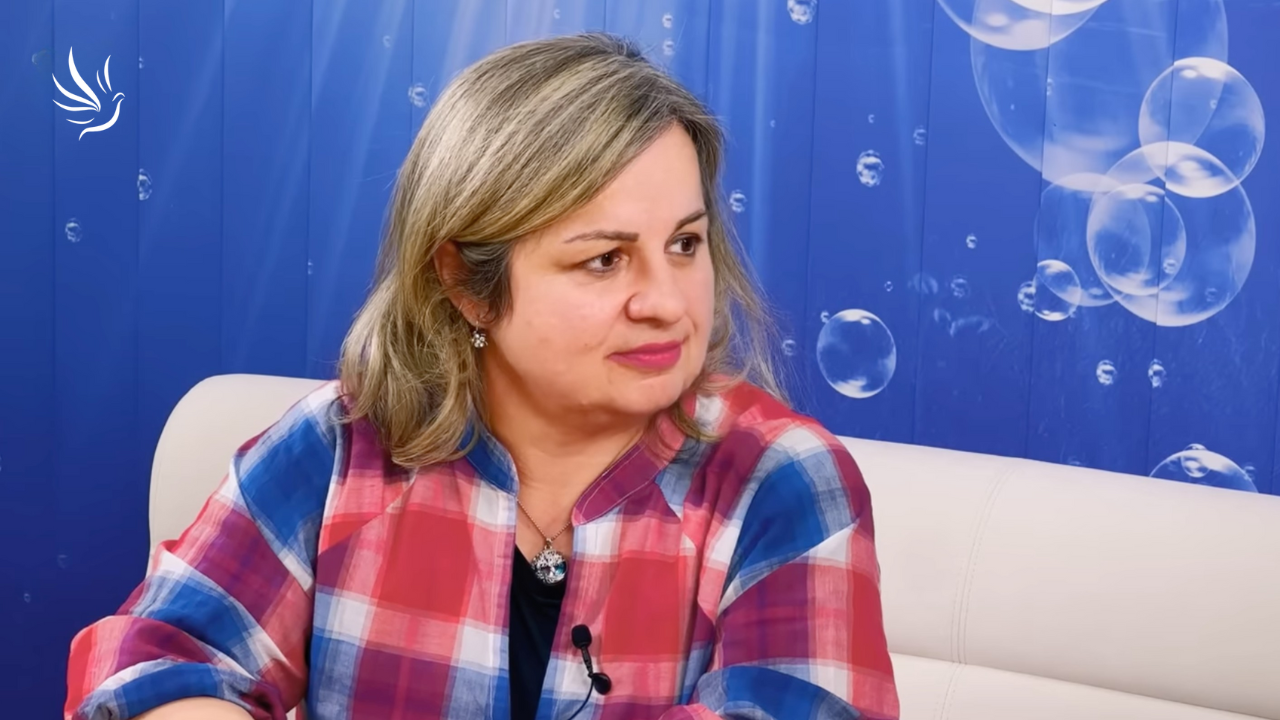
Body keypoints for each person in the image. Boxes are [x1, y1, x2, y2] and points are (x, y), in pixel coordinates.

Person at [65, 32, 899, 720]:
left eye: (685, 244)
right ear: (467, 284)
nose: (667, 302)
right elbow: (151, 661)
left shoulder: (780, 481)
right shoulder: (340, 446)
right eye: (605, 260)